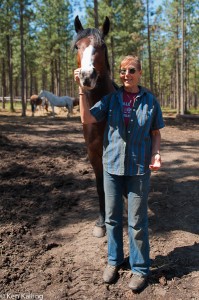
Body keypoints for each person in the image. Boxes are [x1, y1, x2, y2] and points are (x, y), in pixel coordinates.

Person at [74, 55, 165, 291]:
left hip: (138, 169)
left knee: (137, 222)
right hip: (112, 167)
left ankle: (140, 269)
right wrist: (82, 90)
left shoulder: (150, 101)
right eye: (123, 71)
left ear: (140, 73)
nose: (126, 74)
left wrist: (155, 154)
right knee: (112, 220)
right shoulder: (111, 99)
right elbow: (87, 118)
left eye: (131, 70)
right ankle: (114, 262)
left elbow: (155, 133)